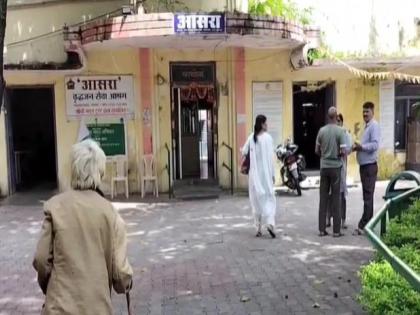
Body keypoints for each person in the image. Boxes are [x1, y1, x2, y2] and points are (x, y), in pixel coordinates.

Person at [33, 139, 133, 315]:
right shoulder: (110, 213)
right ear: (100, 173)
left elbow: (41, 260)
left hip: (59, 308)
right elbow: (120, 275)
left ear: (73, 170)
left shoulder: (54, 207)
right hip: (97, 309)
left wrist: (49, 288)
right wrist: (127, 283)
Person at [242, 115, 277, 238]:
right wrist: (273, 174)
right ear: (262, 124)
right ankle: (270, 223)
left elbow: (244, 151)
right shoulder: (268, 138)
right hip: (265, 175)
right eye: (266, 123)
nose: (267, 125)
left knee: (255, 200)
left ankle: (258, 228)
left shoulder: (252, 137)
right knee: (269, 197)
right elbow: (271, 159)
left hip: (254, 175)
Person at [315, 107, 347, 237]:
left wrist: (324, 155)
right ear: (336, 116)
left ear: (328, 116)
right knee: (336, 198)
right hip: (336, 168)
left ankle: (322, 230)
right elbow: (344, 151)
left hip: (324, 167)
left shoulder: (321, 131)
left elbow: (316, 150)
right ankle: (336, 231)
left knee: (323, 198)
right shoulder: (341, 131)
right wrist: (337, 154)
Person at [352, 102, 381, 235]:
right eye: (363, 111)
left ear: (372, 112)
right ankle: (367, 225)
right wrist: (356, 147)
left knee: (368, 197)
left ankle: (365, 225)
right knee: (367, 197)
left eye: (367, 111)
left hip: (369, 166)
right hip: (365, 166)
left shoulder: (374, 126)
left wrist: (361, 147)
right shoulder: (367, 126)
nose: (365, 114)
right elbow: (365, 144)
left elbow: (374, 145)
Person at [327, 113, 352, 229]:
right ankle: (328, 218)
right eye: (335, 120)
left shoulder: (345, 134)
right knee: (330, 194)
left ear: (342, 122)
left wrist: (342, 152)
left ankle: (343, 220)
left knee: (341, 194)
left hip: (341, 167)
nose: (337, 123)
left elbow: (348, 149)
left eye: (339, 121)